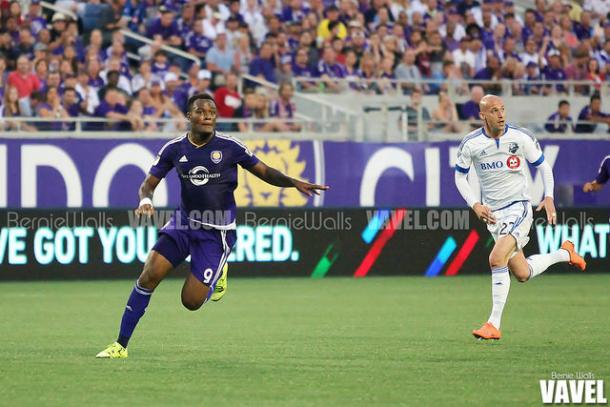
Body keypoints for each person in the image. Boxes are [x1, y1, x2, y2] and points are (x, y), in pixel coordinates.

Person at [96, 93, 329, 358]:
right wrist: (146, 200)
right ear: (189, 116)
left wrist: (293, 182)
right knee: (148, 275)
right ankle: (120, 345)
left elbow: (265, 172)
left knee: (191, 302)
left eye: (212, 112)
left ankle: (218, 272)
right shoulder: (174, 149)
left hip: (217, 233)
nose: (207, 115)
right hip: (183, 223)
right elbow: (147, 185)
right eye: (201, 111)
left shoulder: (230, 146)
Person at [454, 94, 586, 341]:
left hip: (519, 208)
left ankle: (493, 324)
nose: (501, 114)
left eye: (503, 109)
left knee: (496, 258)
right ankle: (565, 253)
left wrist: (548, 197)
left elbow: (543, 167)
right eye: (494, 111)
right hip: (494, 215)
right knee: (522, 273)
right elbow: (460, 176)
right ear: (483, 115)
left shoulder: (520, 137)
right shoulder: (471, 143)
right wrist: (475, 204)